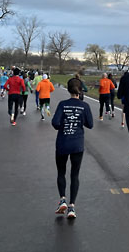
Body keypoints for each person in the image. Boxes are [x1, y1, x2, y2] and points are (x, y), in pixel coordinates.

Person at [52, 78, 93, 219]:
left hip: (63, 142)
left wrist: (64, 124)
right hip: (77, 144)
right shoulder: (84, 106)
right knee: (75, 175)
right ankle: (72, 207)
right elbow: (90, 124)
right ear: (80, 90)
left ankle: (62, 199)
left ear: (68, 89)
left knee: (61, 172)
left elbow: (55, 123)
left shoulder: (62, 104)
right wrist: (78, 121)